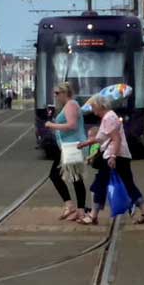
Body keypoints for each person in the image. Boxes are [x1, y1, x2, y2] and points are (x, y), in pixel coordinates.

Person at [78, 96, 144, 225]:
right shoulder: (109, 117)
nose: (92, 109)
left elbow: (116, 139)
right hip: (120, 155)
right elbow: (102, 137)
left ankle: (93, 215)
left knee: (99, 184)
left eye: (93, 106)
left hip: (114, 156)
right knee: (128, 184)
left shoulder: (108, 118)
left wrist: (112, 156)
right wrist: (84, 144)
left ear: (100, 106)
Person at [43, 82, 88, 221]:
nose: (55, 96)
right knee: (73, 177)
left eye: (57, 93)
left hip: (73, 146)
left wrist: (52, 125)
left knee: (67, 176)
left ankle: (75, 208)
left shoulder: (71, 105)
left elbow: (72, 125)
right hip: (69, 147)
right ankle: (75, 208)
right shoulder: (68, 106)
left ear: (64, 93)